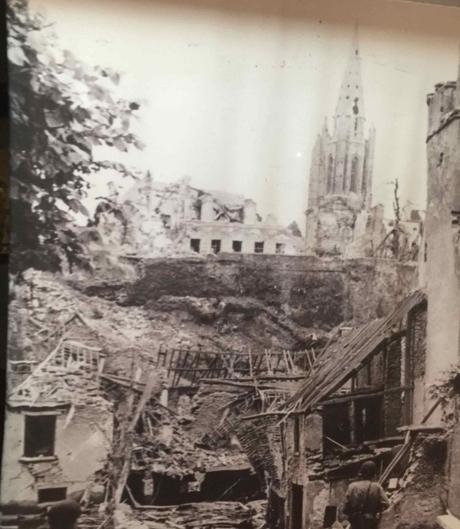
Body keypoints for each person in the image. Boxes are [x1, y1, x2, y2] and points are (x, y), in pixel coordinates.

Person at [342, 461, 389, 529]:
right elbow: (387, 505)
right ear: (374, 474)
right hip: (370, 524)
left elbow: (345, 509)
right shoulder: (377, 487)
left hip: (356, 524)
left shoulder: (352, 486)